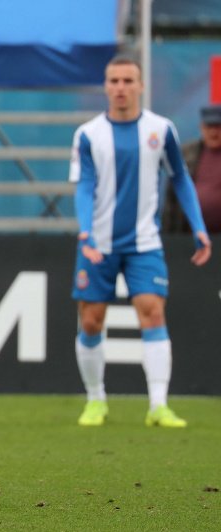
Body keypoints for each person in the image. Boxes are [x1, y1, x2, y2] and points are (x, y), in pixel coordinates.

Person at [69, 56, 212, 428]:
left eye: (128, 80)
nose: (120, 87)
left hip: (144, 242)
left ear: (141, 85)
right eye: (114, 80)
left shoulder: (160, 130)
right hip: (97, 242)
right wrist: (85, 231)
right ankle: (96, 399)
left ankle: (158, 405)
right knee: (91, 321)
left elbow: (180, 178)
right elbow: (84, 185)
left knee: (152, 312)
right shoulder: (88, 134)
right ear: (105, 85)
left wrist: (198, 226)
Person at [162, 104, 221, 234]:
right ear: (201, 127)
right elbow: (172, 197)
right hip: (189, 238)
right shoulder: (186, 153)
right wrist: (168, 236)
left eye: (217, 127)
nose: (213, 132)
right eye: (209, 126)